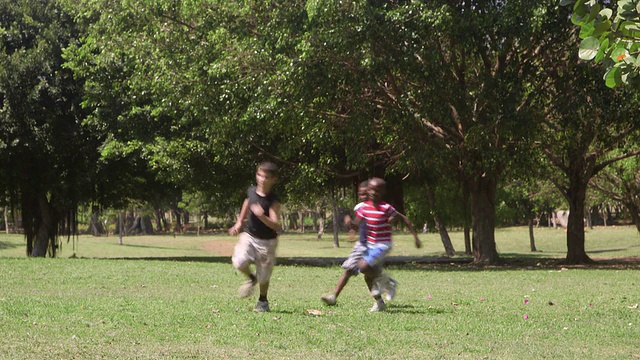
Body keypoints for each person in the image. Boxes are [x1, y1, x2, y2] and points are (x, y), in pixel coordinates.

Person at [347, 177, 421, 312]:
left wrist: (415, 238)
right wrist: (350, 225)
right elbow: (356, 225)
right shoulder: (364, 208)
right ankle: (380, 302)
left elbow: (404, 219)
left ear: (382, 192)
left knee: (362, 267)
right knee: (367, 276)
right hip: (370, 245)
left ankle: (386, 281)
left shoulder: (386, 208)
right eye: (371, 189)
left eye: (377, 190)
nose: (373, 192)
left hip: (383, 245)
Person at [228, 162, 281, 312]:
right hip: (249, 235)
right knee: (239, 261)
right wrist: (239, 222)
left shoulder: (273, 200)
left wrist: (261, 216)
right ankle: (252, 278)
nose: (262, 179)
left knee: (264, 275)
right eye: (259, 175)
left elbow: (276, 224)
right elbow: (247, 203)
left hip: (267, 241)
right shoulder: (251, 191)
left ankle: (263, 301)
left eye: (266, 177)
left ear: (274, 180)